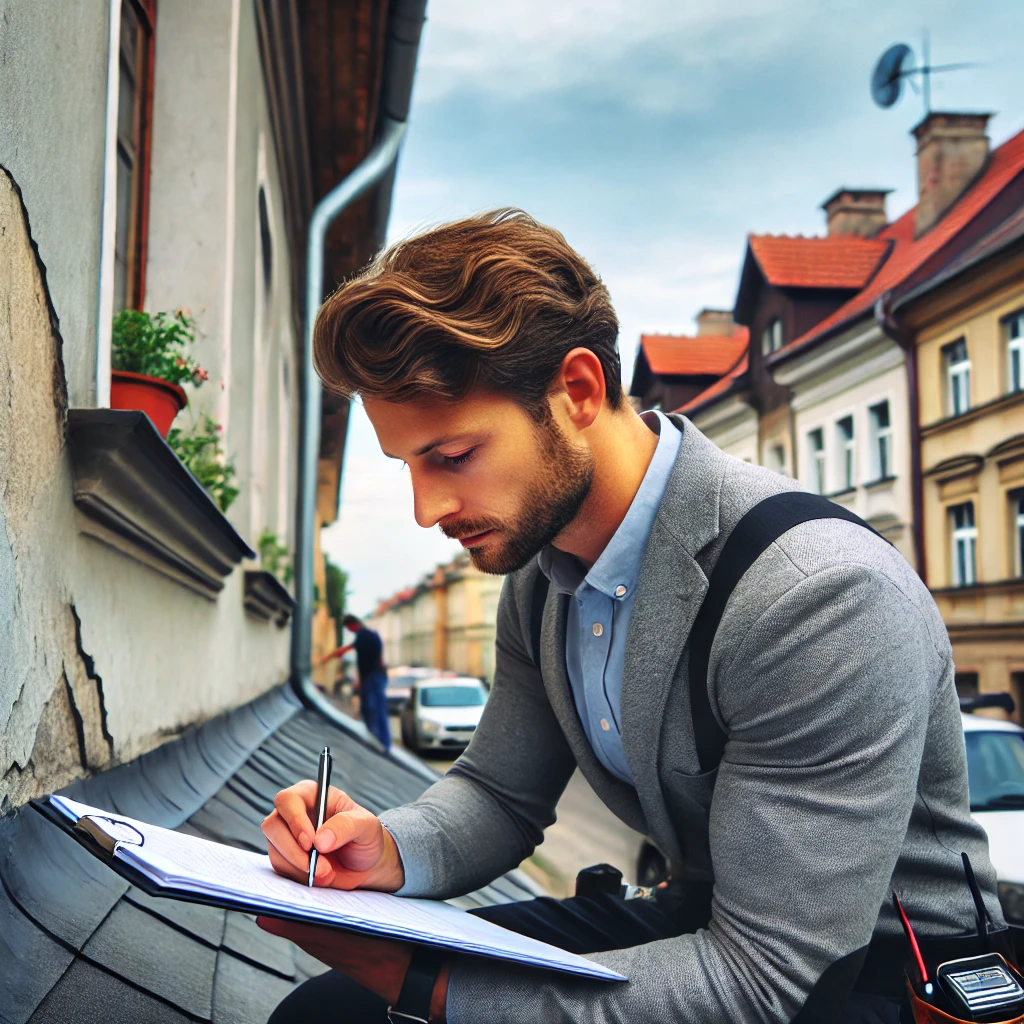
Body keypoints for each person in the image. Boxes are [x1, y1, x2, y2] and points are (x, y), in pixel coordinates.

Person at [259, 210, 1006, 1024]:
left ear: (577, 391)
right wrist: (386, 848)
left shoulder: (817, 596)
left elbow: (768, 982)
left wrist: (425, 988)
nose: (426, 508)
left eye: (453, 455)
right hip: (703, 921)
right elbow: (500, 792)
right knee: (328, 1014)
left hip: (885, 978)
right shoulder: (542, 575)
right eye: (408, 465)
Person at [320, 614, 390, 751]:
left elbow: (346, 650)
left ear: (352, 625)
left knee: (372, 709)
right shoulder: (367, 635)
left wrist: (326, 658)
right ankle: (381, 742)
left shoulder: (365, 636)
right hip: (375, 676)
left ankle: (378, 742)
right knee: (374, 708)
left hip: (374, 677)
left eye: (348, 627)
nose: (348, 630)